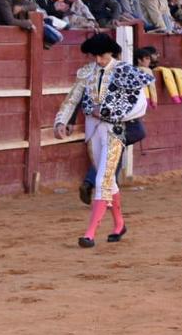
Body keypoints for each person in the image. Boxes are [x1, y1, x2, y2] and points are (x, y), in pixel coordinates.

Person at [54, 33, 154, 248]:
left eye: (101, 56)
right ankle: (119, 224)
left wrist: (110, 112)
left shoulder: (125, 71)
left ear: (111, 52)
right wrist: (61, 122)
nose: (98, 60)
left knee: (102, 180)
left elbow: (140, 104)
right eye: (94, 56)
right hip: (93, 131)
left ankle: (89, 233)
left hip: (115, 130)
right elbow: (72, 99)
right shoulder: (87, 72)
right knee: (107, 179)